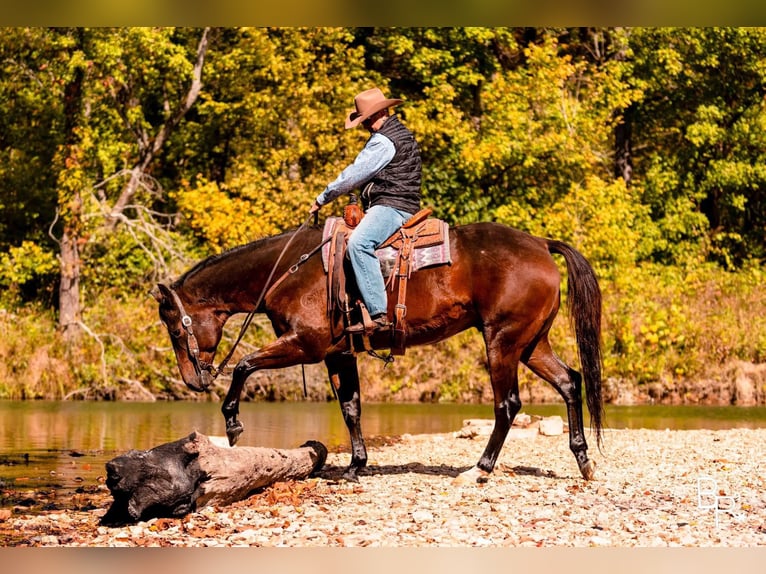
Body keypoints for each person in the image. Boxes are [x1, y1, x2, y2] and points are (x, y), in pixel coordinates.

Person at [310, 87, 422, 333]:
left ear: (382, 112)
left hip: (393, 205)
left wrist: (323, 198)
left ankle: (378, 313)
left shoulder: (384, 141)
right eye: (364, 121)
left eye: (368, 119)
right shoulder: (398, 133)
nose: (367, 126)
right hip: (398, 201)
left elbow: (354, 175)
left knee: (359, 244)